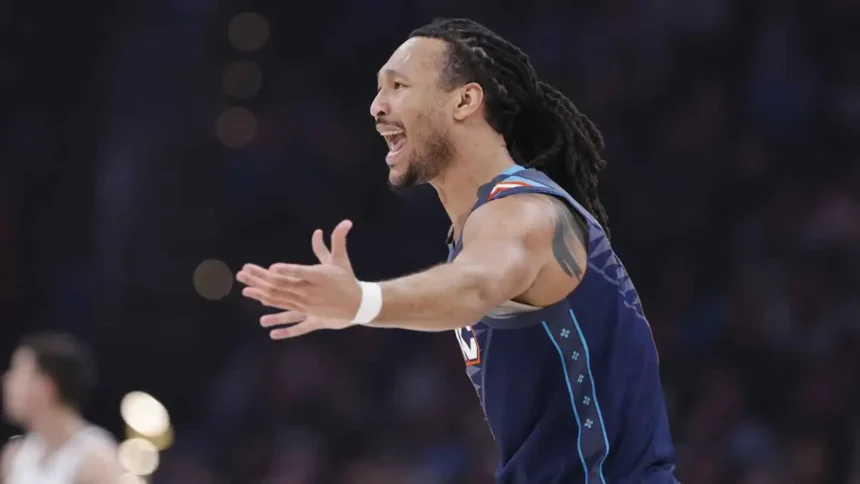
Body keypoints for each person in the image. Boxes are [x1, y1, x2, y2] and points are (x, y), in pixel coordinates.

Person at [236, 17, 677, 484]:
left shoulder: (524, 213)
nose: (376, 106)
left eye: (398, 86)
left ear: (465, 100)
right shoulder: (475, 227)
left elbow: (475, 285)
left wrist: (363, 301)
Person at [1, 333, 122, 484]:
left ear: (46, 386)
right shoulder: (14, 456)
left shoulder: (95, 460)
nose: (7, 383)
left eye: (18, 373)